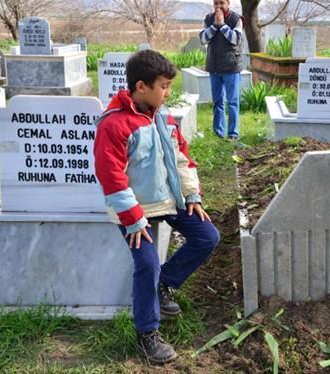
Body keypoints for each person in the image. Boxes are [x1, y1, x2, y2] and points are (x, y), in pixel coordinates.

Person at [93, 50, 220, 364]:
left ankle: (166, 283)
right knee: (147, 263)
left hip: (169, 199)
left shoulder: (162, 117)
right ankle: (147, 332)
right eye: (163, 86)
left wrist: (191, 195)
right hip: (137, 210)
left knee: (208, 236)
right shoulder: (115, 125)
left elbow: (181, 158)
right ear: (141, 86)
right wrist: (133, 217)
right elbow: (111, 176)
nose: (168, 92)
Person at [200, 0, 243, 140]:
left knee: (232, 102)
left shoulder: (237, 19)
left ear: (228, 3)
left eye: (222, 3)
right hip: (214, 67)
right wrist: (215, 25)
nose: (218, 6)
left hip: (231, 66)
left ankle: (233, 134)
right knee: (218, 102)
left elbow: (235, 39)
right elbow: (203, 39)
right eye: (216, 3)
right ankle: (218, 133)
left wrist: (223, 25)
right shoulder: (208, 19)